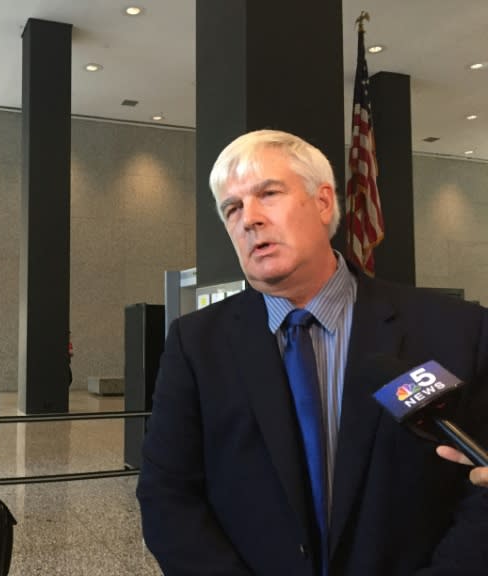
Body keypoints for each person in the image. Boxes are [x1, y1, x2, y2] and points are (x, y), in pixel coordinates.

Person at [136, 129, 488, 575]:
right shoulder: (196, 343)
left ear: (323, 203)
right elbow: (167, 494)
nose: (249, 219)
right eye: (232, 208)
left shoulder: (457, 330)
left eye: (268, 193)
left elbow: (482, 486)